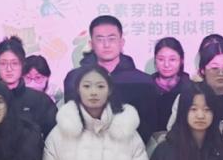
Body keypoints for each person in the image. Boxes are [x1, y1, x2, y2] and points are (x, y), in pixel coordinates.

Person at [63, 15, 157, 143]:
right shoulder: (74, 78)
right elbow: (73, 121)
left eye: (111, 39)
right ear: (91, 44)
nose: (106, 45)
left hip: (129, 148)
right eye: (100, 39)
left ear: (121, 42)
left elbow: (147, 125)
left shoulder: (142, 81)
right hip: (86, 148)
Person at [0, 37, 57, 137]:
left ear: (22, 64)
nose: (9, 69)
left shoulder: (42, 100)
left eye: (14, 63)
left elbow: (54, 139)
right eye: (3, 63)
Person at [148, 37, 193, 135]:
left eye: (172, 59)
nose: (166, 65)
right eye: (161, 59)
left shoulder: (190, 88)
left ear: (181, 60)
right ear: (155, 60)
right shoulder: (146, 87)